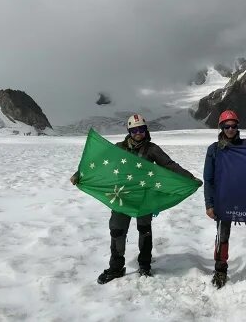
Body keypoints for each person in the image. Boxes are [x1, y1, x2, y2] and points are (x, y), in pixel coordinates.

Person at [70, 114, 200, 284]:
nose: (139, 133)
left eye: (142, 129)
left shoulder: (152, 149)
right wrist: (79, 174)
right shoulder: (118, 149)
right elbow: (98, 162)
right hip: (121, 195)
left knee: (144, 230)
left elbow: (169, 165)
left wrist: (189, 178)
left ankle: (145, 265)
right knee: (117, 231)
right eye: (135, 130)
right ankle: (116, 267)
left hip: (144, 197)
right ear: (129, 131)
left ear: (146, 130)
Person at [203, 109, 246, 289]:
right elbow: (208, 179)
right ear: (222, 127)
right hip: (223, 199)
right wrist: (209, 204)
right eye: (227, 126)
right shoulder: (214, 150)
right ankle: (220, 268)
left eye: (234, 126)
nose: (231, 129)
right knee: (223, 235)